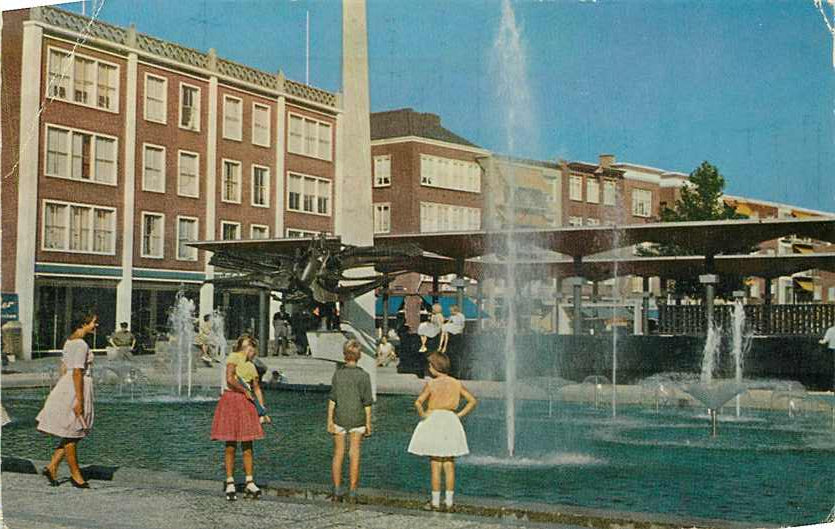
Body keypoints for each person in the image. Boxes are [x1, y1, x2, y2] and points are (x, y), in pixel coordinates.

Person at [408, 352, 477, 512]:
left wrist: (423, 414)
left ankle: (435, 502)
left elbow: (418, 402)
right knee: (449, 463)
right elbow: (472, 400)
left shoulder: (432, 384)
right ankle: (450, 502)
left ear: (434, 368)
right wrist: (459, 414)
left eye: (430, 365)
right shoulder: (456, 383)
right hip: (450, 420)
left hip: (434, 419)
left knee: (435, 464)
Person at [36, 313, 98, 489]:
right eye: (93, 322)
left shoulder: (69, 341)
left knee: (72, 431)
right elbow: (77, 371)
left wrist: (61, 391)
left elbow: (64, 367)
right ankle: (75, 475)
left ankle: (52, 466)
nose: (96, 325)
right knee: (73, 432)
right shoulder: (81, 344)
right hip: (76, 387)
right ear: (84, 323)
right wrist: (79, 399)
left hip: (67, 386)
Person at [210, 335, 270, 501]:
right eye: (249, 348)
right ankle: (230, 481)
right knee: (230, 443)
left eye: (251, 348)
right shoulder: (234, 357)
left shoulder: (252, 366)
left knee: (247, 443)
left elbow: (256, 388)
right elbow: (229, 379)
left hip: (246, 404)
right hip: (232, 400)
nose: (250, 352)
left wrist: (262, 410)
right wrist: (244, 390)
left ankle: (249, 481)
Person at [327, 340, 373, 503]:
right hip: (357, 417)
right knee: (354, 453)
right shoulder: (364, 376)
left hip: (340, 417)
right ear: (359, 356)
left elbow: (332, 400)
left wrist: (329, 421)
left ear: (344, 355)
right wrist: (368, 423)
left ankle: (337, 489)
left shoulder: (338, 374)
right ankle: (353, 491)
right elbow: (367, 403)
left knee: (338, 453)